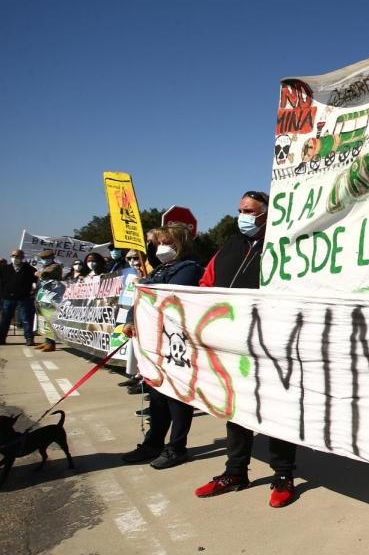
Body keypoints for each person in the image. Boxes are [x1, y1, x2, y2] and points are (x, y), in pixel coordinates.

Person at [192, 190, 299, 509]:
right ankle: (235, 472)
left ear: (267, 213)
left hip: (271, 343)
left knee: (276, 409)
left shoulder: (286, 246)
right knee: (235, 409)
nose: (243, 217)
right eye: (241, 210)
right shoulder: (229, 246)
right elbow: (205, 285)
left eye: (250, 211)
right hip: (231, 343)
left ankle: (283, 475)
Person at [121, 225, 204, 469]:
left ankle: (177, 447)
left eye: (167, 243)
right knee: (157, 397)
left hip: (176, 343)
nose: (161, 248)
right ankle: (153, 443)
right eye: (159, 243)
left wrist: (144, 289)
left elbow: (167, 299)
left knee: (177, 399)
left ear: (181, 244)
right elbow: (141, 300)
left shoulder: (188, 269)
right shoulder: (160, 269)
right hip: (155, 342)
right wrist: (131, 320)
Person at [0, 250, 38, 346]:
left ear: (22, 257)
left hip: (24, 298)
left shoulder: (29, 269)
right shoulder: (5, 268)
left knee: (25, 319)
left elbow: (38, 279)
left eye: (17, 256)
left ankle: (29, 339)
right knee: (5, 320)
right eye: (13, 256)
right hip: (8, 298)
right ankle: (1, 339)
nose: (15, 258)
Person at [34, 249, 62, 353]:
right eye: (42, 258)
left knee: (50, 319)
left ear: (52, 258)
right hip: (43, 297)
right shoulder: (44, 266)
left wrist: (38, 273)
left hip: (52, 297)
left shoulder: (55, 266)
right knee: (44, 320)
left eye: (46, 258)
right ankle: (47, 341)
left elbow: (45, 274)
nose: (44, 260)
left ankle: (51, 343)